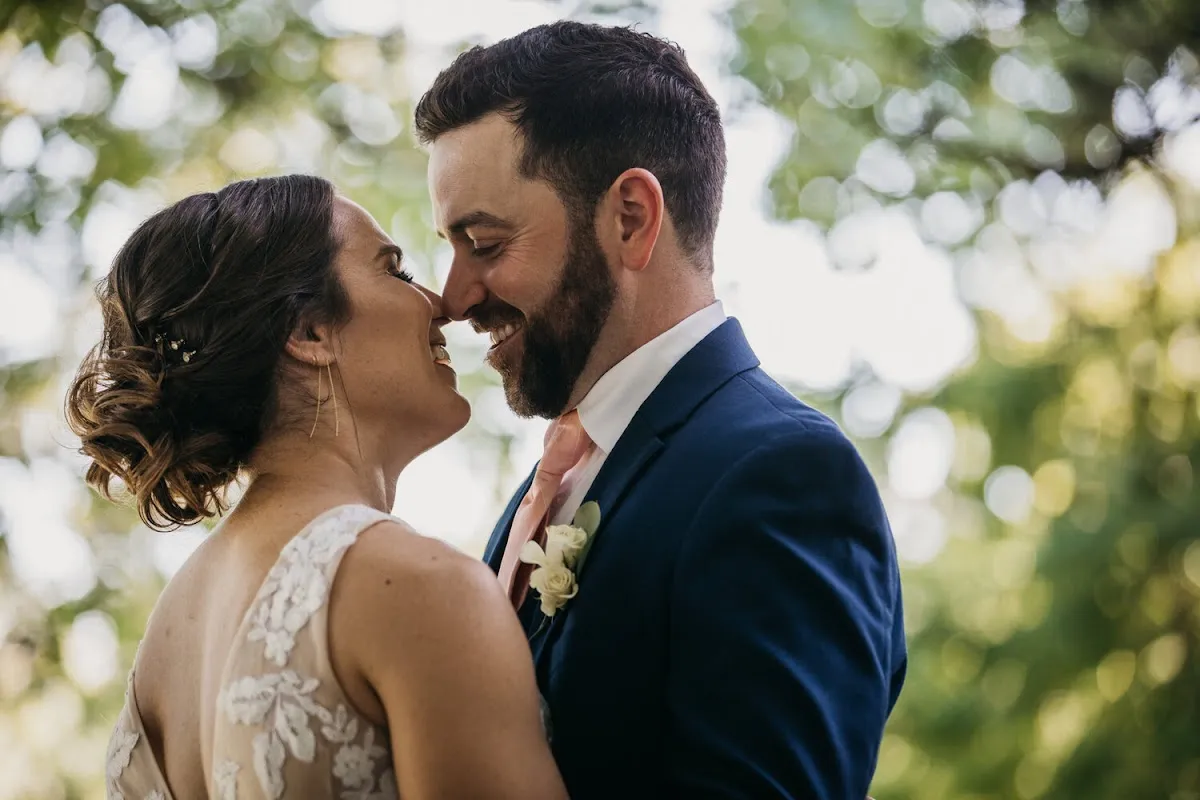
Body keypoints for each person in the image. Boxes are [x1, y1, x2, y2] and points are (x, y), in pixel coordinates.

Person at [415, 21, 907, 799]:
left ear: (632, 218)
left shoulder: (779, 476)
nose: (454, 297)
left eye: (485, 241)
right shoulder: (544, 491)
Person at [68, 175, 566, 799]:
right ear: (309, 333)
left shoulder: (165, 648)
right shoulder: (418, 589)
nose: (442, 303)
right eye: (396, 271)